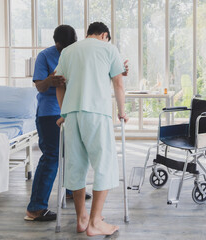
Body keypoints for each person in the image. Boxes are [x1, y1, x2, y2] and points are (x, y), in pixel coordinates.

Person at [55, 22, 129, 236]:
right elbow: (118, 83)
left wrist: (63, 113)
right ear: (105, 35)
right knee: (104, 163)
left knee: (76, 165)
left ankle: (82, 218)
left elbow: (60, 84)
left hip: (72, 114)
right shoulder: (109, 49)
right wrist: (122, 112)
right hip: (97, 112)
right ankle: (96, 221)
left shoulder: (69, 51)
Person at [24, 25, 89, 222]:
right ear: (57, 44)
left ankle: (70, 190)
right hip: (49, 113)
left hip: (71, 111)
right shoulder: (45, 56)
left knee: (73, 152)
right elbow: (39, 87)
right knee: (52, 155)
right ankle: (35, 208)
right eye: (63, 48)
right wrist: (51, 80)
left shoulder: (76, 53)